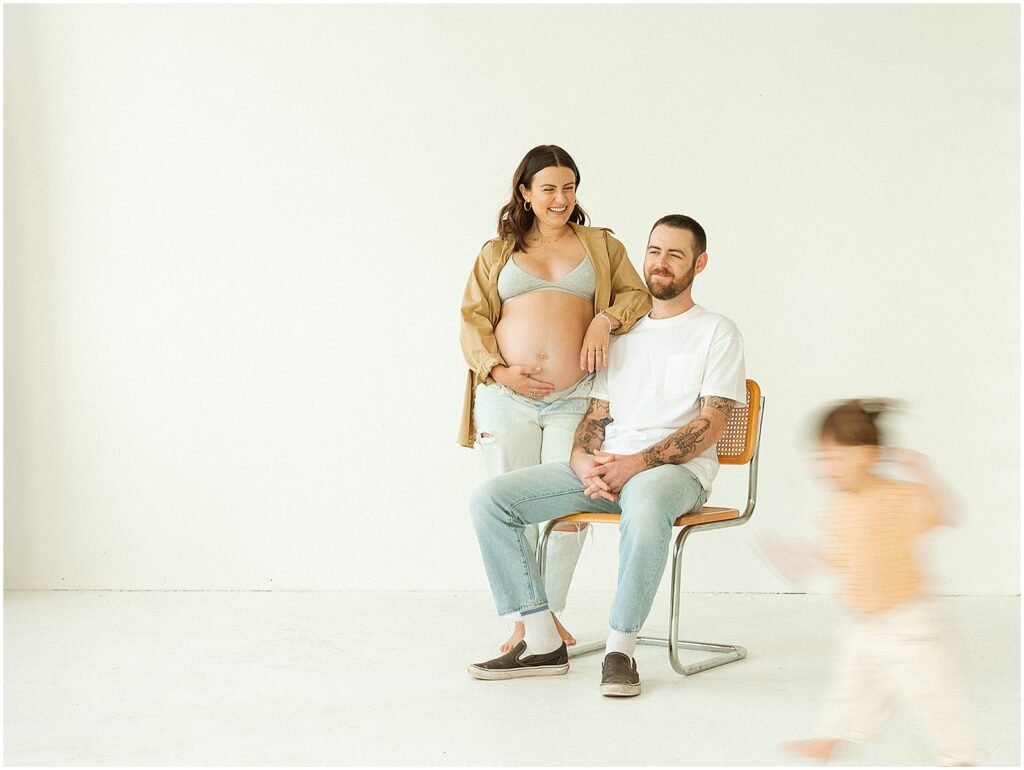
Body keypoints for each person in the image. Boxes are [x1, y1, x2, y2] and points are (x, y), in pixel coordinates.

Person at [467, 214, 745, 697]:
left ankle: (620, 649)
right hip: (608, 470)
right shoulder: (621, 335)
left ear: (699, 263)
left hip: (673, 474)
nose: (660, 263)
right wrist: (583, 462)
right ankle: (542, 637)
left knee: (647, 499)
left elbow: (711, 424)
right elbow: (595, 416)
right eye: (655, 251)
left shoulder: (716, 331)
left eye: (675, 255)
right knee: (492, 499)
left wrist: (633, 465)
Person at [459, 145, 651, 652]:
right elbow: (472, 320)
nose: (560, 198)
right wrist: (501, 370)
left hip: (576, 397)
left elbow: (637, 295)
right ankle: (529, 620)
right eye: (548, 188)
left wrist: (603, 318)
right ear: (525, 193)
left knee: (572, 506)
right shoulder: (496, 252)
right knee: (507, 503)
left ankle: (551, 613)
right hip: (507, 397)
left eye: (568, 187)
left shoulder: (600, 246)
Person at [771, 400, 981, 766]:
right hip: (865, 620)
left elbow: (948, 514)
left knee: (932, 694)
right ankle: (832, 738)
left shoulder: (899, 496)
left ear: (868, 454)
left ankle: (959, 752)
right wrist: (805, 556)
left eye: (835, 457)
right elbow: (845, 555)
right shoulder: (837, 508)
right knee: (852, 680)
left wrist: (925, 476)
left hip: (912, 623)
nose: (825, 468)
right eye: (820, 458)